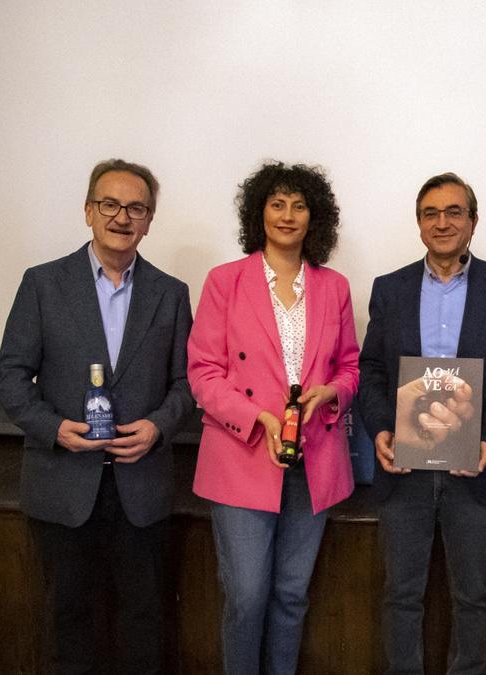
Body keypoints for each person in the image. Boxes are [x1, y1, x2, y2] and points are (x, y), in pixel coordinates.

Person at [0, 158, 195, 673]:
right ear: (88, 211)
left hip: (141, 487)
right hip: (62, 484)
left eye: (136, 208)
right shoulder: (42, 284)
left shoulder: (171, 294)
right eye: (110, 204)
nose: (122, 217)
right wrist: (52, 428)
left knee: (143, 619)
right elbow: (10, 374)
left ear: (149, 220)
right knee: (69, 618)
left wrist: (158, 426)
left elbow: (188, 381)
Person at [358, 172, 486, 674]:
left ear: (472, 222)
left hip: (476, 469)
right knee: (400, 595)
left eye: (453, 212)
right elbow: (370, 370)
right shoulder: (389, 289)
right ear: (419, 225)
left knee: (473, 597)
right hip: (404, 472)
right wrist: (380, 429)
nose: (442, 222)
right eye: (431, 213)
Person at [188, 162, 359, 674]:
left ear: (316, 218)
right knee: (246, 596)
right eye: (277, 203)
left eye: (299, 205)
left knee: (290, 594)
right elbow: (202, 372)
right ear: (258, 211)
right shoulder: (225, 281)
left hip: (315, 461)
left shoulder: (334, 286)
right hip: (241, 458)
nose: (287, 215)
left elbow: (351, 366)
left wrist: (331, 392)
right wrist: (257, 418)